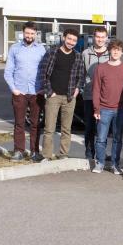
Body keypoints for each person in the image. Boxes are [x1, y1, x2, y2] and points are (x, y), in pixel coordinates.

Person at [3, 21, 46, 162]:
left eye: (32, 33)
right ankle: (18, 151)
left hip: (36, 92)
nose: (29, 36)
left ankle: (35, 152)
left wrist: (43, 89)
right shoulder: (15, 49)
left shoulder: (41, 49)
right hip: (19, 92)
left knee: (35, 124)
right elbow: (8, 71)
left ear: (36, 34)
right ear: (23, 33)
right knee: (19, 123)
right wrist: (14, 89)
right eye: (27, 33)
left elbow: (46, 71)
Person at [40, 29, 86, 160]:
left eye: (74, 40)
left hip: (70, 97)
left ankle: (63, 154)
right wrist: (49, 92)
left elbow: (81, 76)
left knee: (67, 129)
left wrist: (77, 89)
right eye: (69, 39)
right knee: (49, 128)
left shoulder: (77, 56)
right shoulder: (52, 53)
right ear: (64, 38)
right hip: (53, 97)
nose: (71, 42)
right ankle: (47, 155)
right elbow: (43, 73)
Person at [91, 40, 123, 175]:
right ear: (109, 50)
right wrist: (96, 108)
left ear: (122, 52)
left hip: (120, 110)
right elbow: (96, 89)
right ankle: (100, 163)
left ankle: (115, 164)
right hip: (103, 108)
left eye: (118, 50)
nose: (115, 52)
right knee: (101, 138)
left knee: (117, 138)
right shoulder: (101, 68)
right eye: (113, 49)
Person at [81, 26, 110, 161]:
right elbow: (82, 73)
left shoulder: (110, 54)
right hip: (89, 95)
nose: (100, 39)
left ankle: (101, 153)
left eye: (102, 37)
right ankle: (89, 152)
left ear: (106, 38)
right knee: (89, 126)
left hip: (105, 97)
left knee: (102, 127)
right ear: (94, 37)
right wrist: (82, 89)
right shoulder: (86, 53)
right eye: (98, 37)